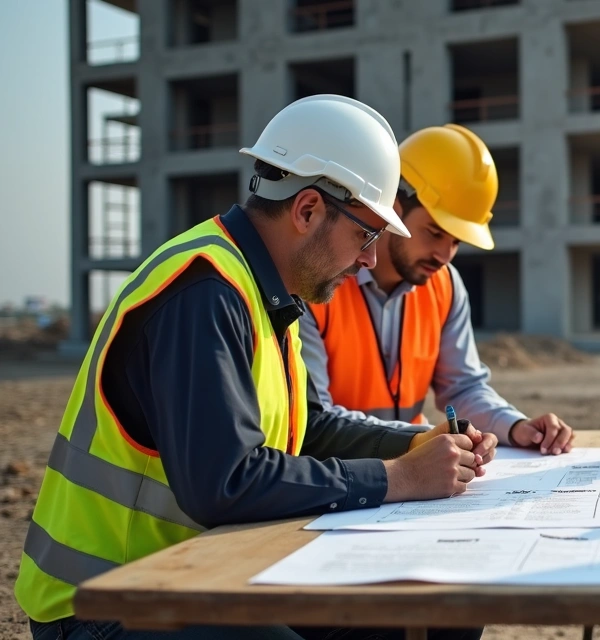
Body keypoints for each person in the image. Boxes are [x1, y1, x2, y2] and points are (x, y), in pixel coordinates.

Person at [16, 95, 491, 640]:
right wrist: (398, 478)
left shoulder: (265, 292)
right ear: (307, 209)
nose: (369, 260)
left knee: (436, 612)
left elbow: (311, 427)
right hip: (108, 601)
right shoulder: (203, 293)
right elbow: (226, 482)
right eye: (366, 235)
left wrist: (413, 444)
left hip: (203, 568)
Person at [300, 123, 575, 455]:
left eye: (456, 241)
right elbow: (315, 418)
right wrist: (424, 439)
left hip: (408, 474)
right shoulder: (317, 283)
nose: (444, 255)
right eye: (434, 232)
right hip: (335, 470)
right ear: (393, 208)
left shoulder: (444, 285)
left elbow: (462, 389)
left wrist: (516, 427)